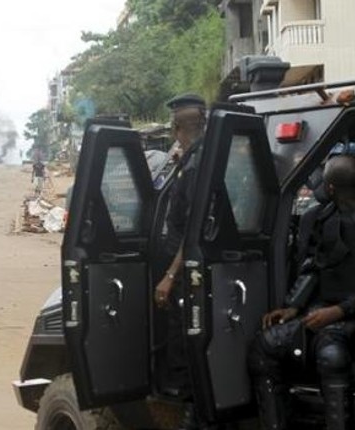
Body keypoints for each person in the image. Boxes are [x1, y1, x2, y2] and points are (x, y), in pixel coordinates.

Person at [248, 155, 355, 430]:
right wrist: (293, 306)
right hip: (320, 310)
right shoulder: (320, 219)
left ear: (330, 188)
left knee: (331, 353)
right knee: (265, 346)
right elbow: (314, 267)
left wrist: (338, 311)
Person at [152, 93, 207, 401]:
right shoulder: (191, 160)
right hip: (183, 265)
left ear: (178, 129)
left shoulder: (196, 166)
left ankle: (189, 407)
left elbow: (193, 229)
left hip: (186, 271)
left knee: (183, 343)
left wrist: (171, 276)